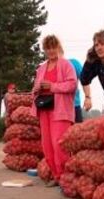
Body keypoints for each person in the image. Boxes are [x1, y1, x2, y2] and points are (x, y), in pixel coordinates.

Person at [31, 35, 77, 187]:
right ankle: (56, 176)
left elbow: (72, 85)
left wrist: (52, 86)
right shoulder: (41, 68)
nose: (50, 51)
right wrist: (38, 88)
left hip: (60, 110)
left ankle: (65, 177)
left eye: (53, 47)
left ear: (58, 47)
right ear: (45, 50)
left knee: (59, 145)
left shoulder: (66, 65)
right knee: (47, 145)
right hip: (44, 109)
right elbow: (34, 89)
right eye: (47, 48)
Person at [68, 58, 84, 123]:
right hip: (56, 108)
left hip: (75, 105)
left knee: (77, 130)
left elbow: (84, 80)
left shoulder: (74, 63)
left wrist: (88, 97)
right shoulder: (47, 66)